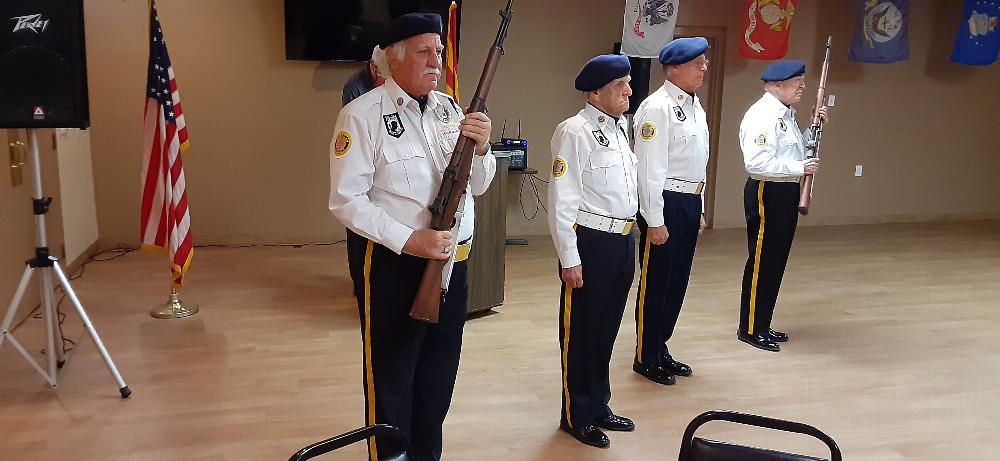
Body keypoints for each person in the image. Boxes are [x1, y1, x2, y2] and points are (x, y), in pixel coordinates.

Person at [328, 13, 495, 461]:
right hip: (395, 264)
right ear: (393, 59)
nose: (436, 60)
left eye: (438, 51)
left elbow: (477, 186)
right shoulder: (362, 115)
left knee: (438, 379)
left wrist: (483, 149)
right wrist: (409, 239)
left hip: (453, 266)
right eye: (424, 52)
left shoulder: (451, 111)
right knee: (392, 377)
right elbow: (346, 201)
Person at [548, 54, 638, 449]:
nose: (629, 91)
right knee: (582, 333)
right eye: (620, 85)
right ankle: (577, 415)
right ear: (595, 92)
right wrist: (569, 257)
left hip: (622, 241)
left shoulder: (619, 129)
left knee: (605, 331)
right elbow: (562, 199)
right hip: (591, 242)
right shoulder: (575, 131)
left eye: (628, 83)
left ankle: (599, 404)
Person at [631, 37, 710, 386]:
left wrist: (700, 207)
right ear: (674, 68)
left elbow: (697, 163)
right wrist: (654, 219)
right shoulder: (657, 108)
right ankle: (645, 355)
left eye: (705, 62)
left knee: (677, 281)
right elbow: (649, 169)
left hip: (688, 201)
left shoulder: (695, 107)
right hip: (664, 202)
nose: (704, 68)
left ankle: (660, 346)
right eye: (697, 63)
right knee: (657, 282)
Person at [736, 60, 828, 352]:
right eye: (797, 81)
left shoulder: (785, 114)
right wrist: (801, 167)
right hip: (768, 191)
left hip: (786, 190)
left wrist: (814, 126)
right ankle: (751, 328)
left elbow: (795, 150)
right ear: (776, 84)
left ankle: (762, 323)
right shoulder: (762, 115)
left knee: (775, 261)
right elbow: (757, 162)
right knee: (762, 262)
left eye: (802, 80)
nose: (803, 86)